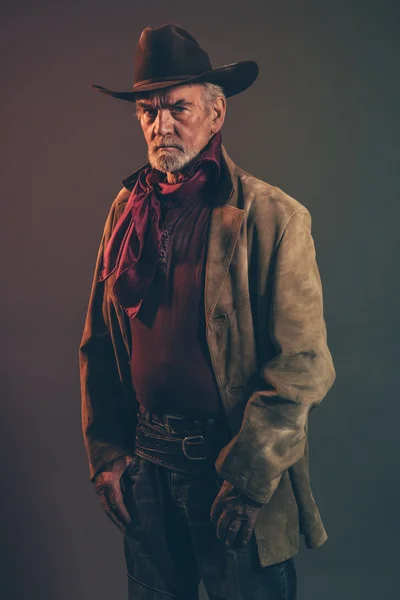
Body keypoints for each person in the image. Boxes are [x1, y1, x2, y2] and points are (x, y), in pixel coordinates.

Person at [79, 23, 336, 600]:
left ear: (216, 114)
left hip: (230, 474)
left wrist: (248, 479)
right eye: (148, 111)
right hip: (146, 472)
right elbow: (99, 340)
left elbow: (304, 364)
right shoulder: (127, 209)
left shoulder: (273, 218)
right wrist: (107, 455)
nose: (161, 125)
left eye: (178, 108)